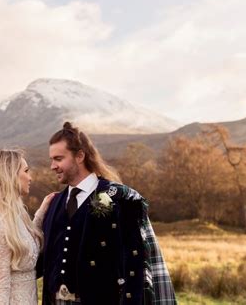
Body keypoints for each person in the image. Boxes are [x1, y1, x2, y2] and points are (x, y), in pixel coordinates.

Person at [38, 122, 176, 304]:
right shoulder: (53, 203)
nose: (52, 166)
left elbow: (147, 259)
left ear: (80, 156)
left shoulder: (121, 199)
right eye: (51, 159)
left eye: (58, 159)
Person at [0, 149, 56, 304]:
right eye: (26, 171)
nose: (30, 177)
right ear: (10, 175)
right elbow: (0, 291)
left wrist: (41, 214)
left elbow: (25, 243)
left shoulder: (15, 217)